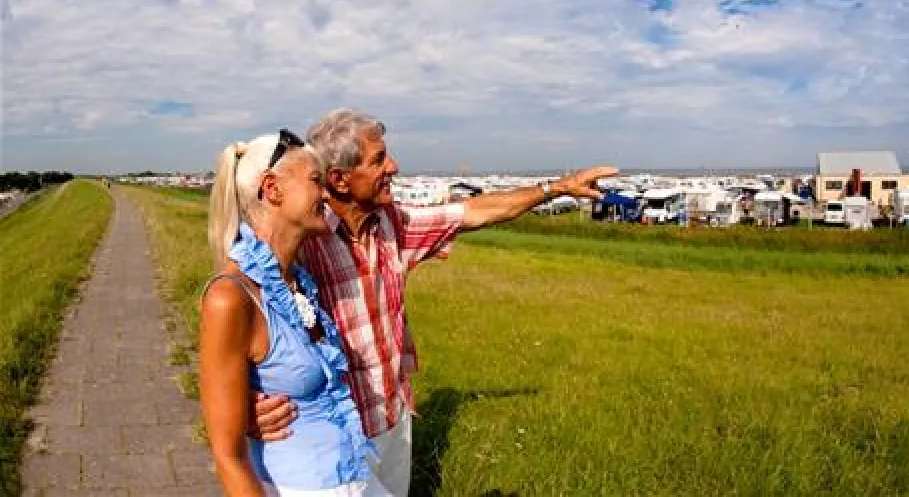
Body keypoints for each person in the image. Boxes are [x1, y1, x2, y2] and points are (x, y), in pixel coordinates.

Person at [250, 110, 616, 495]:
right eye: (378, 160)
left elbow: (474, 212)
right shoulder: (305, 235)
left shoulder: (394, 224)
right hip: (339, 430)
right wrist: (245, 402)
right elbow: (246, 318)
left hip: (392, 418)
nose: (394, 166)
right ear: (339, 179)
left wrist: (556, 189)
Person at [200, 129, 390, 497]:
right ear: (272, 189)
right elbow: (227, 457)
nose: (326, 194)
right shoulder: (231, 298)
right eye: (316, 181)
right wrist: (242, 416)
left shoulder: (299, 282)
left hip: (350, 476)